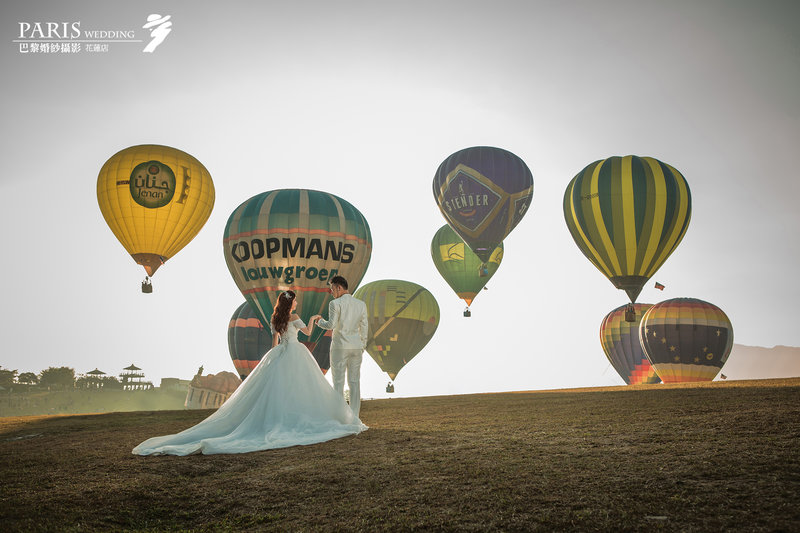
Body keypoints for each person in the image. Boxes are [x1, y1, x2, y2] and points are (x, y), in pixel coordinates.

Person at [132, 291, 366, 456]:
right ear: (291, 304)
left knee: (277, 390)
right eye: (295, 301)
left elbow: (275, 344)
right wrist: (315, 319)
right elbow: (306, 333)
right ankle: (297, 417)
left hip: (280, 354)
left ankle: (280, 417)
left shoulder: (276, 319)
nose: (296, 304)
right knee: (301, 387)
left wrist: (274, 359)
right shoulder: (295, 318)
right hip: (296, 352)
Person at [312, 276, 369, 418]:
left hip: (340, 346)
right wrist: (362, 345)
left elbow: (331, 325)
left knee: (338, 381)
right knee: (354, 382)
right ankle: (354, 417)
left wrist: (319, 322)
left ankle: (340, 416)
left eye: (332, 289)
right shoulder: (361, 304)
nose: (331, 292)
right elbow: (364, 327)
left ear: (338, 287)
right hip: (356, 347)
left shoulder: (335, 304)